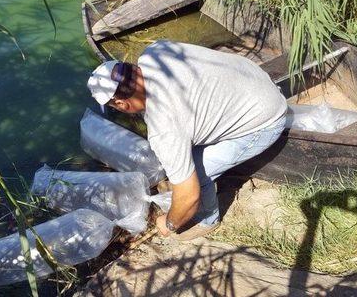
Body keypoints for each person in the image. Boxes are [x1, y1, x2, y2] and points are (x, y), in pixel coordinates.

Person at [86, 40, 287, 240]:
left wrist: (169, 223)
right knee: (182, 156)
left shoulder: (163, 129)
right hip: (254, 78)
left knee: (196, 173)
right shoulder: (155, 51)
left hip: (266, 120)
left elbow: (189, 196)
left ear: (121, 104)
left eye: (114, 107)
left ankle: (208, 220)